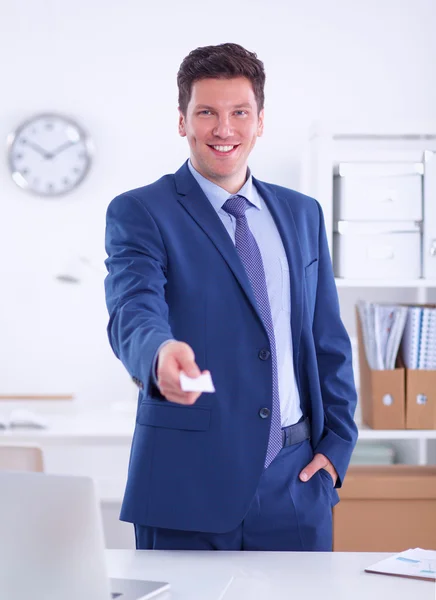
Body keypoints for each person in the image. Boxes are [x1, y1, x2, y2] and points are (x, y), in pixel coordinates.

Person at [104, 42, 358, 551]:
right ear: (183, 121)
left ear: (259, 121)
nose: (224, 129)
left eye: (239, 112)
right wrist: (159, 354)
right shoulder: (141, 211)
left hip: (297, 481)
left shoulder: (302, 214)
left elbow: (326, 336)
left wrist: (336, 447)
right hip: (186, 481)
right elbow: (133, 306)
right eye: (207, 113)